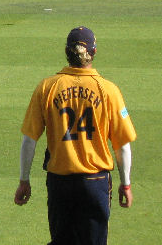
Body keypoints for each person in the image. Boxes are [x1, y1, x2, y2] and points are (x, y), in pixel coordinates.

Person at [14, 26, 137, 245]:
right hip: (95, 183)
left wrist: (24, 180)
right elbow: (123, 145)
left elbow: (29, 140)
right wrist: (125, 184)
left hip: (60, 183)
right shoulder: (109, 90)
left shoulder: (47, 87)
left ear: (66, 52)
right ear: (94, 51)